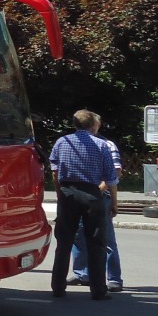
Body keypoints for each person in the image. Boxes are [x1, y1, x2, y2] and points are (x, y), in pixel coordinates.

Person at [49, 109, 118, 300]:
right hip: (92, 193)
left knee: (64, 242)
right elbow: (111, 177)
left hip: (68, 192)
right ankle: (98, 290)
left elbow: (54, 171)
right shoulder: (101, 145)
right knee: (97, 242)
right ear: (93, 125)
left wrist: (60, 193)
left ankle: (58, 287)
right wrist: (114, 202)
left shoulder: (62, 142)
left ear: (75, 124)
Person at [69, 128, 124, 291]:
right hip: (79, 195)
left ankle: (114, 278)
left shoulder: (106, 144)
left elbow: (116, 172)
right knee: (78, 236)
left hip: (100, 197)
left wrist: (104, 193)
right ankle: (82, 274)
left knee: (105, 239)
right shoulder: (72, 144)